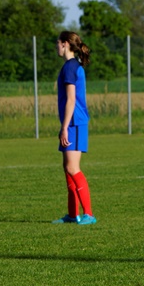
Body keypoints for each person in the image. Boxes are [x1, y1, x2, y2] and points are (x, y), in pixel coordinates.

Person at [52, 31, 96, 225]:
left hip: (74, 123)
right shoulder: (70, 66)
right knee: (67, 168)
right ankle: (72, 215)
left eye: (58, 43)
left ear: (65, 44)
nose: (56, 46)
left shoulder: (70, 67)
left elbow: (71, 100)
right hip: (71, 123)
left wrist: (64, 127)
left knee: (72, 167)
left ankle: (89, 215)